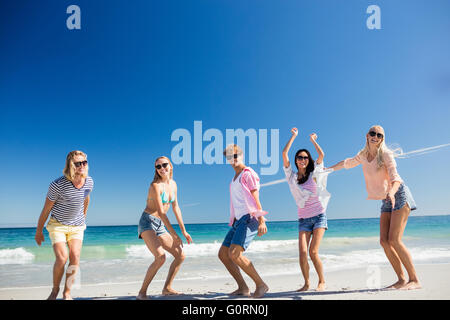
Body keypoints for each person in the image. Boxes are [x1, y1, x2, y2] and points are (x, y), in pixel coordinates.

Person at [328, 125, 420, 290]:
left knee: (394, 240)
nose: (375, 137)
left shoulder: (385, 154)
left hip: (398, 194)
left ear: (382, 139)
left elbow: (396, 178)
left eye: (379, 135)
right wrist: (327, 170)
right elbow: (346, 163)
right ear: (367, 136)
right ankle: (401, 280)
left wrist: (391, 193)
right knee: (384, 241)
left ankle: (414, 280)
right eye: (373, 133)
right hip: (385, 199)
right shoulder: (363, 156)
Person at [35, 150, 94, 300]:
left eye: (84, 162)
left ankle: (67, 293)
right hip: (58, 225)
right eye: (77, 163)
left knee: (75, 257)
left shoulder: (89, 181)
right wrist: (38, 231)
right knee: (62, 258)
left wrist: (84, 215)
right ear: (70, 165)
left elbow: (86, 198)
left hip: (77, 226)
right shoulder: (57, 185)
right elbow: (46, 209)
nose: (82, 165)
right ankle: (55, 290)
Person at [282, 128, 332, 292]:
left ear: (308, 160)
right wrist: (293, 136)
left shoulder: (314, 173)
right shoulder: (292, 177)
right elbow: (284, 154)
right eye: (299, 157)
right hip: (303, 220)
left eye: (305, 157)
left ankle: (322, 281)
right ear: (296, 160)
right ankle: (306, 283)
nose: (302, 159)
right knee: (303, 253)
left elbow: (322, 155)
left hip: (318, 216)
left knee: (313, 251)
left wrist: (313, 140)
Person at [137, 156, 193, 300]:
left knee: (180, 255)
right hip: (147, 222)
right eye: (158, 167)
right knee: (160, 257)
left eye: (164, 165)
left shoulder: (174, 185)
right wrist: (174, 234)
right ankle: (142, 293)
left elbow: (176, 208)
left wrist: (184, 231)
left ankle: (167, 288)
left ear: (170, 166)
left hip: (160, 224)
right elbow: (161, 212)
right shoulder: (155, 186)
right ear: (156, 170)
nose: (162, 168)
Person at [218, 144, 269, 298]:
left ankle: (261, 285)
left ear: (241, 155)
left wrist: (262, 220)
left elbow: (255, 198)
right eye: (229, 157)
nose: (232, 159)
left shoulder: (248, 174)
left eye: (235, 155)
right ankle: (242, 287)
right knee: (223, 254)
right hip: (238, 221)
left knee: (235, 254)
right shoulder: (234, 178)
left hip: (249, 218)